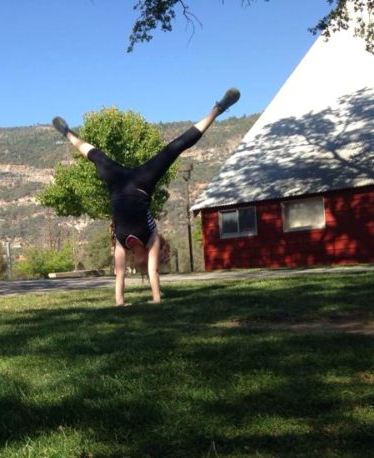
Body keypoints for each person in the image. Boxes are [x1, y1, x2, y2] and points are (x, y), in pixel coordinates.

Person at [52, 88, 240, 305]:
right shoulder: (152, 238)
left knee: (97, 157)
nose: (145, 261)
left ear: (134, 260)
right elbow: (154, 270)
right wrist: (156, 298)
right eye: (148, 261)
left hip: (119, 184)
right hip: (143, 183)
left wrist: (120, 303)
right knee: (175, 148)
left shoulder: (122, 244)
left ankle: (67, 133)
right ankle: (218, 109)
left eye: (139, 263)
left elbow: (119, 275)